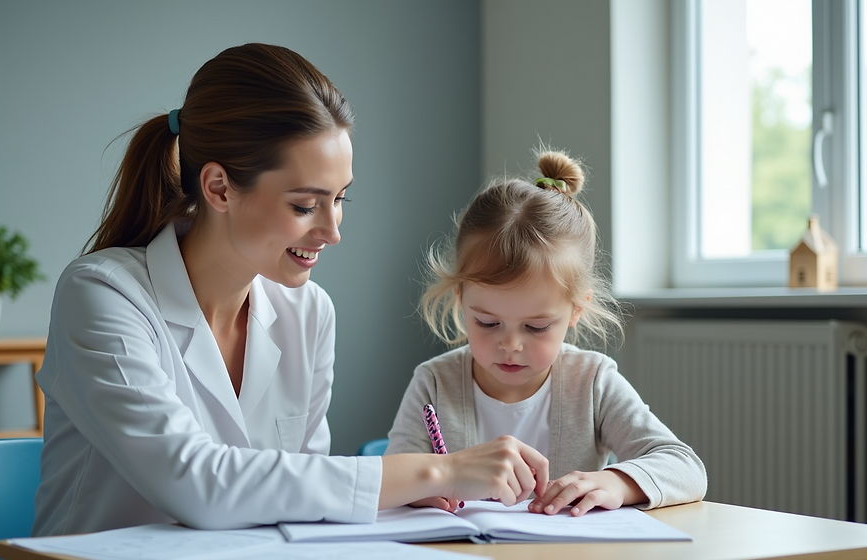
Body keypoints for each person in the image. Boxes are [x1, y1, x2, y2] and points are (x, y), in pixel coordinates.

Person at [32, 43, 550, 537]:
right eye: (304, 205)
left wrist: (392, 494)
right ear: (219, 188)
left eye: (340, 199)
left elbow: (299, 493)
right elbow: (195, 483)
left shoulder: (308, 311)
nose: (332, 231)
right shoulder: (102, 295)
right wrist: (438, 472)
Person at [385, 148, 707, 517]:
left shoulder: (592, 382)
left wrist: (616, 483)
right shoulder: (434, 383)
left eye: (536, 327)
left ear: (576, 310)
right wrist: (428, 486)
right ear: (460, 298)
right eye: (487, 322)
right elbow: (388, 481)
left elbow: (685, 467)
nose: (510, 344)